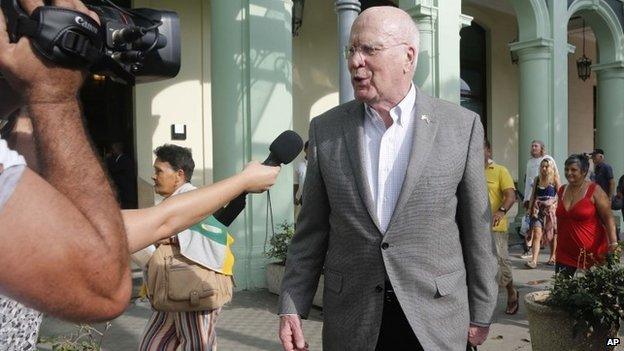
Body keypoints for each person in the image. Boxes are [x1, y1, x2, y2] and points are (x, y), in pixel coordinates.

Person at [278, 7, 497, 351]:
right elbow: (312, 230)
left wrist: (482, 309)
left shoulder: (460, 127)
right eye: (351, 50)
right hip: (354, 319)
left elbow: (475, 230)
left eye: (369, 50)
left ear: (408, 56)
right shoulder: (327, 129)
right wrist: (292, 305)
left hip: (435, 319)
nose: (355, 61)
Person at [555, 154, 618, 277]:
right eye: (566, 169)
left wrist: (613, 243)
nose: (569, 173)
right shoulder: (562, 190)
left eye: (573, 170)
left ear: (584, 172)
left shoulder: (595, 190)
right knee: (561, 292)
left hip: (591, 253)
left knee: (591, 294)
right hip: (564, 252)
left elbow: (608, 218)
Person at [484, 140, 518, 315]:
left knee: (501, 263)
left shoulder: (500, 171)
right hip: (474, 228)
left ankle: (511, 292)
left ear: (488, 150)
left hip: (496, 227)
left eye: (480, 148)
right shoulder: (470, 170)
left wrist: (501, 211)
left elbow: (510, 195)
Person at [521, 140, 559, 260]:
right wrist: (527, 200)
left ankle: (553, 256)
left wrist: (553, 202)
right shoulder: (530, 162)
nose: (533, 148)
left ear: (542, 148)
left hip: (550, 206)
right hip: (536, 203)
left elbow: (560, 190)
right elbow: (528, 181)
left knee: (551, 232)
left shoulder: (548, 159)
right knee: (535, 230)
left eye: (536, 146)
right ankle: (533, 259)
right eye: (532, 146)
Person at [106, 141, 138, 209]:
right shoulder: (117, 159)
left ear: (118, 149)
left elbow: (113, 169)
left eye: (113, 149)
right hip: (122, 192)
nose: (112, 151)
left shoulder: (125, 159)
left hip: (126, 192)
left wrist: (108, 159)